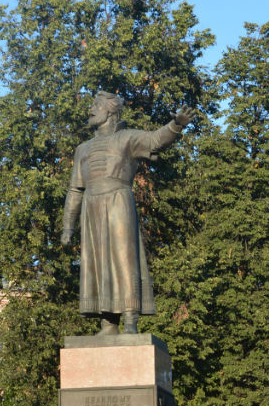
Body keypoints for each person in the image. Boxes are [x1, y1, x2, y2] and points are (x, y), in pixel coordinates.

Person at [61, 90, 195, 335]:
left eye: (96, 105)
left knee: (124, 258)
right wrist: (68, 225)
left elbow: (156, 140)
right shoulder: (83, 149)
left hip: (118, 201)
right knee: (97, 262)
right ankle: (108, 323)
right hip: (91, 208)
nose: (90, 109)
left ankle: (130, 319)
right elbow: (75, 189)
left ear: (110, 112)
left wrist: (176, 125)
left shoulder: (126, 138)